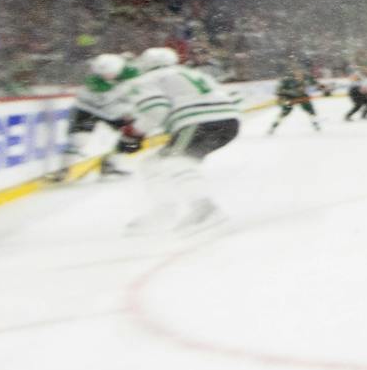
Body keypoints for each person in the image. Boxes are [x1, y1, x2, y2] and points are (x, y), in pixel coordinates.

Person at [111, 46, 244, 232]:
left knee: (176, 162)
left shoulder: (145, 80)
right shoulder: (191, 73)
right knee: (155, 163)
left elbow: (156, 110)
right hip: (229, 121)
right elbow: (233, 98)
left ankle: (204, 209)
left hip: (196, 122)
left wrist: (132, 134)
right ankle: (164, 210)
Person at [47, 53, 140, 182]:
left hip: (112, 111)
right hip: (88, 109)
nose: (105, 76)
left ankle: (110, 164)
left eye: (110, 73)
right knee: (79, 139)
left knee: (126, 137)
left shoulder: (131, 73)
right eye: (102, 74)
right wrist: (125, 89)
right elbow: (105, 99)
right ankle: (63, 169)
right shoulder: (94, 81)